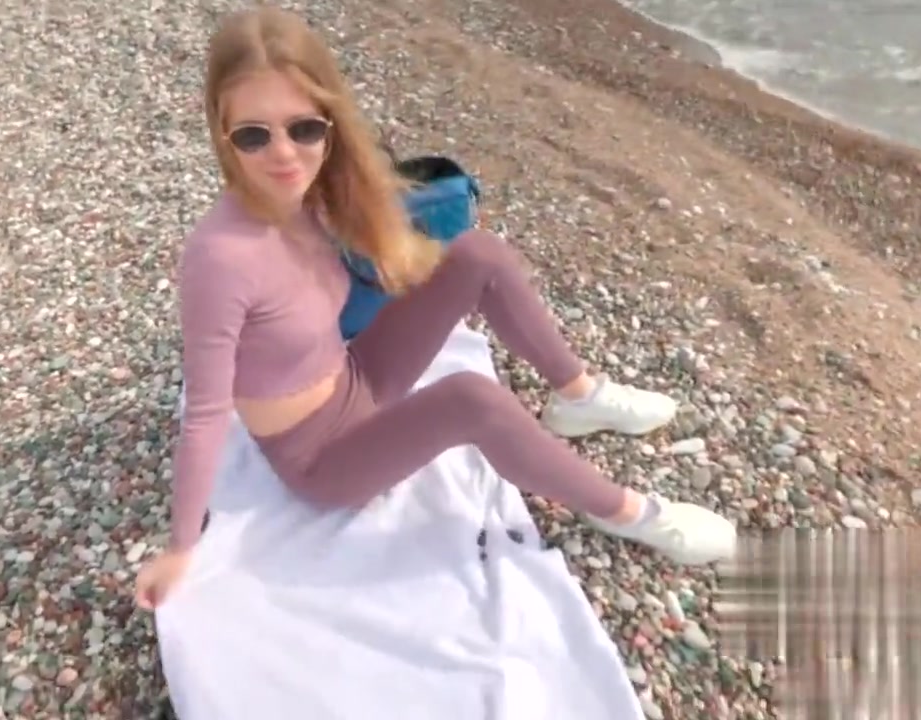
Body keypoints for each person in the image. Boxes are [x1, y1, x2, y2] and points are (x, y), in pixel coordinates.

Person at [134, 6, 736, 610]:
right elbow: (206, 412)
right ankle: (629, 513)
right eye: (253, 135)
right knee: (470, 399)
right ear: (222, 132)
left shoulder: (310, 197)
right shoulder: (220, 258)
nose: (284, 154)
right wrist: (182, 546)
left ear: (329, 122)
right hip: (323, 461)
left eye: (304, 128)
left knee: (476, 254)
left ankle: (578, 397)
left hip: (354, 379)